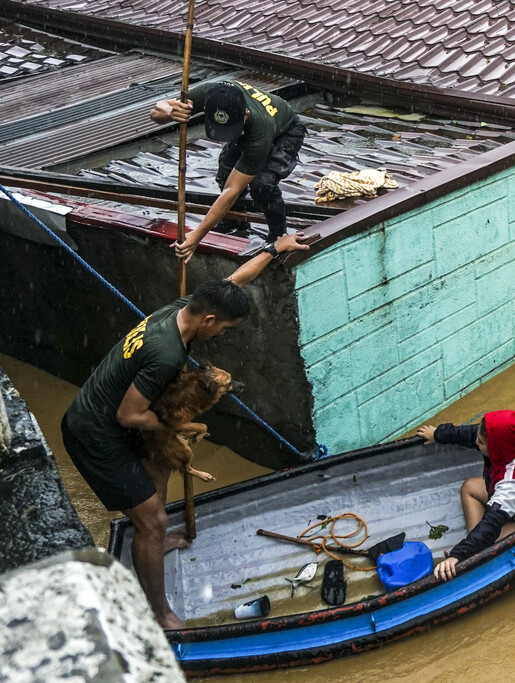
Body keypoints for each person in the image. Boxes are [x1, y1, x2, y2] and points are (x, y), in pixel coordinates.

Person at [60, 233, 310, 629]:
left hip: (111, 414)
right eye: (225, 329)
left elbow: (235, 283)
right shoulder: (167, 353)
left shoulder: (182, 310)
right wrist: (179, 425)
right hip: (95, 432)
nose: (223, 336)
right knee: (153, 520)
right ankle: (161, 614)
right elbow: (130, 415)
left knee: (159, 470)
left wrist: (275, 249)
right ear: (208, 320)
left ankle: (151, 543)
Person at [149, 79, 306, 262]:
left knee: (262, 184)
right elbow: (155, 112)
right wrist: (170, 111)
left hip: (286, 132)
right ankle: (235, 219)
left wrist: (197, 236)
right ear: (207, 109)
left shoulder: (260, 130)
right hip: (247, 128)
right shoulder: (211, 93)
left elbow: (232, 189)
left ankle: (279, 235)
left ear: (245, 114)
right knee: (225, 171)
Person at [416, 410, 515, 582]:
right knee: (470, 487)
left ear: (497, 449)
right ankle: (475, 547)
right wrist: (437, 433)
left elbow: (492, 522)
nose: (476, 442)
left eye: (482, 441)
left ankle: (475, 554)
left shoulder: (514, 483)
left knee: (488, 540)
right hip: (514, 505)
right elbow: (470, 435)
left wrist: (458, 556)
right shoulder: (509, 443)